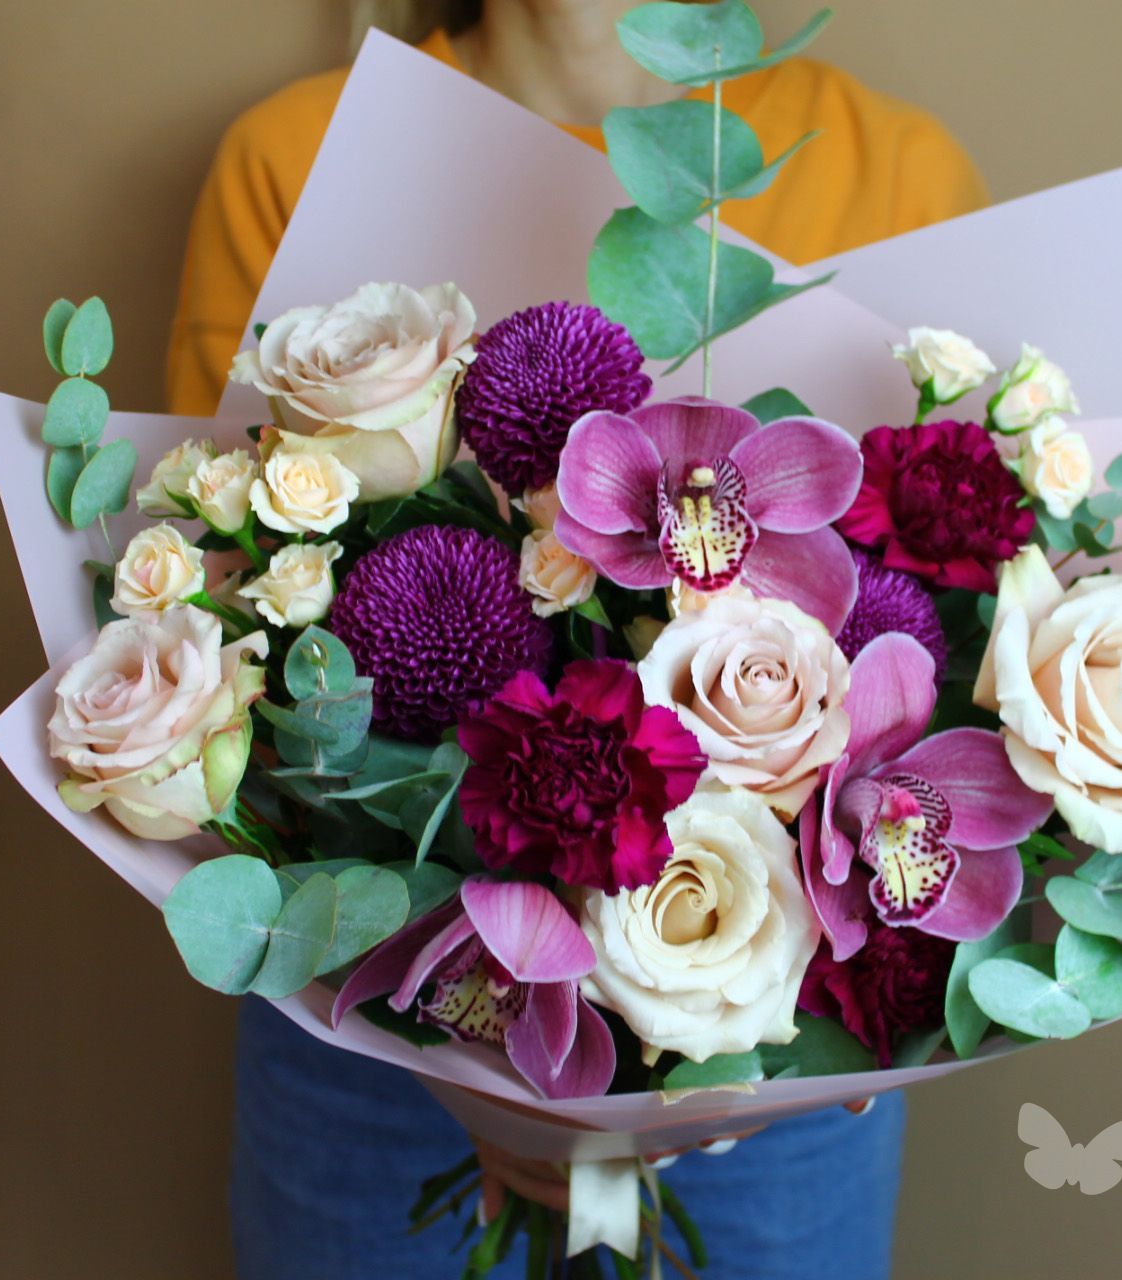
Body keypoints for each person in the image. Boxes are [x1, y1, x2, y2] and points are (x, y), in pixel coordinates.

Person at [166, 3, 988, 1276]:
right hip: (373, 1022)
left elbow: (961, 648)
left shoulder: (895, 173)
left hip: (770, 1071)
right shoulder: (298, 154)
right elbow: (211, 629)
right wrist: (477, 1046)